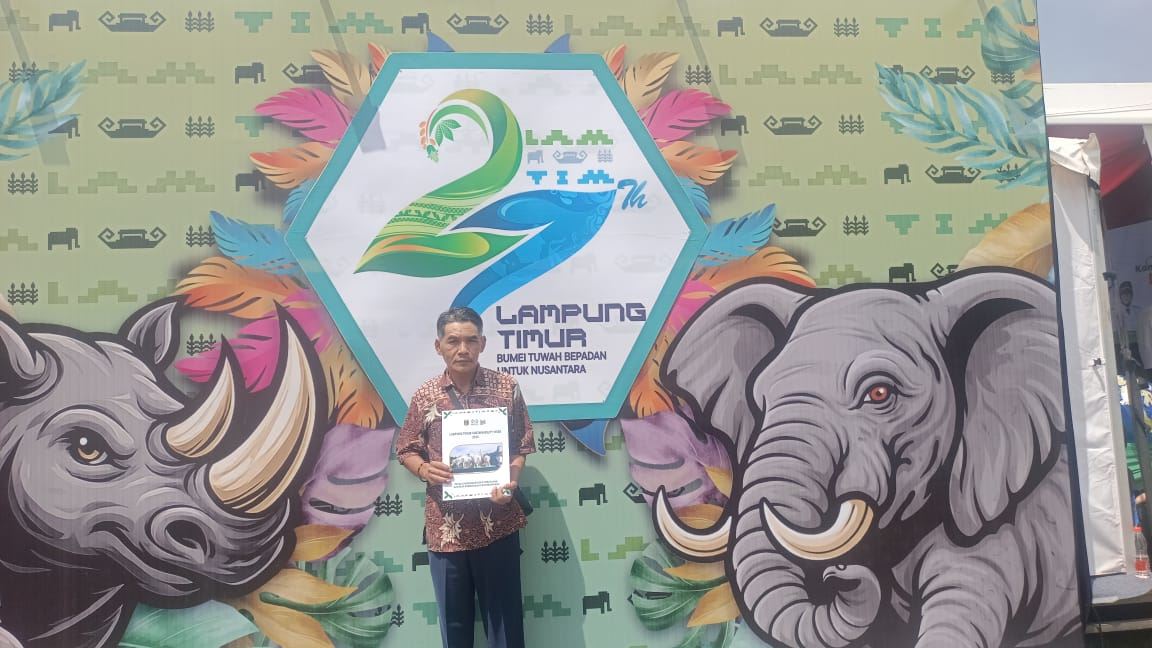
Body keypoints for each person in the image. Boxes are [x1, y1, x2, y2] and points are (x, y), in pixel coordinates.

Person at [395, 306, 535, 648]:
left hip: (498, 524)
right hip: (447, 531)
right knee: (454, 628)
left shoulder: (506, 388)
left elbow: (520, 447)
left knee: (506, 628)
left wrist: (511, 481)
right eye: (453, 341)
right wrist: (424, 469)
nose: (463, 349)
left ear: (482, 343)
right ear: (438, 346)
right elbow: (406, 449)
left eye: (471, 341)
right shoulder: (425, 395)